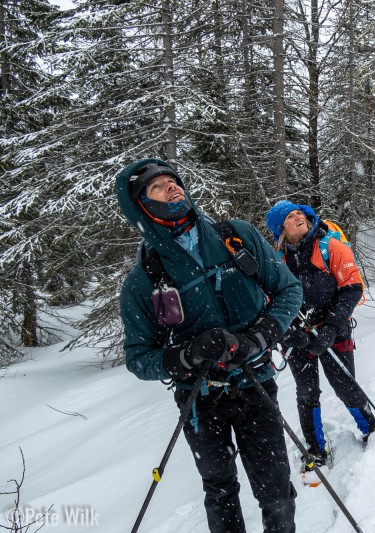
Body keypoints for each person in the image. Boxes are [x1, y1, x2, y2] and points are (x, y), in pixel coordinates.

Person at [116, 159, 302, 533]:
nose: (171, 188)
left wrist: (259, 337)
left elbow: (289, 290)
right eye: (158, 187)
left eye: (173, 181)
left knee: (277, 491)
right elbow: (139, 359)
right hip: (199, 401)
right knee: (220, 493)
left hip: (256, 384)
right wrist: (187, 355)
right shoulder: (143, 281)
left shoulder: (236, 237)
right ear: (141, 206)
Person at [265, 200, 375, 479]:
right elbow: (268, 301)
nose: (298, 217)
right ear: (280, 228)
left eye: (299, 213)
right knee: (306, 392)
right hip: (296, 338)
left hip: (334, 331)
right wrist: (287, 331)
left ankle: (371, 428)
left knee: (344, 384)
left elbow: (352, 288)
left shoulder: (330, 247)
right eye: (290, 217)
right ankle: (316, 448)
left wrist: (331, 325)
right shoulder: (275, 260)